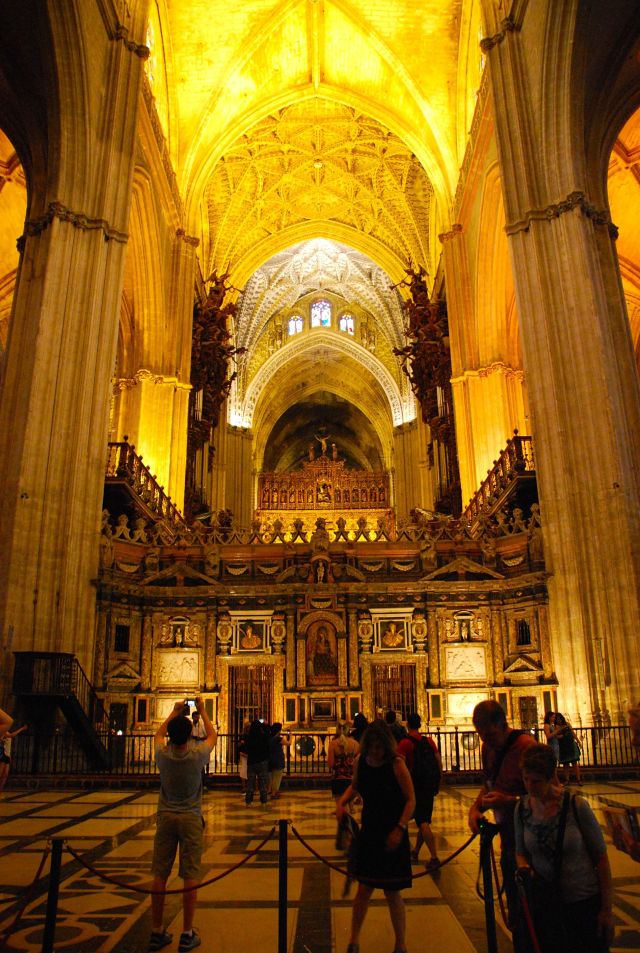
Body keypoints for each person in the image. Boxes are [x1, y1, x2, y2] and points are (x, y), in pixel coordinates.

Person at [515, 743, 614, 953]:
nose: (530, 786)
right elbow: (520, 852)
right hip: (547, 904)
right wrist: (524, 869)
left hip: (583, 902)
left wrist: (607, 911)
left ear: (551, 777)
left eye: (536, 781)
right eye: (526, 780)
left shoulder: (576, 806)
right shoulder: (522, 808)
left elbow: (601, 859)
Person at [336, 720, 415, 953]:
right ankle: (353, 940)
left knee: (392, 892)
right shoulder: (362, 761)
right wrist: (342, 802)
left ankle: (400, 944)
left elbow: (411, 799)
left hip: (393, 832)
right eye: (371, 747)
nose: (375, 752)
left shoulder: (397, 764)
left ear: (386, 746)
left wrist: (400, 828)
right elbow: (356, 785)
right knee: (363, 890)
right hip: (370, 831)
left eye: (379, 748)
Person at [468, 700, 537, 953]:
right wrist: (476, 808)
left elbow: (553, 795)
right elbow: (489, 785)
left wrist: (510, 801)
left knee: (537, 915)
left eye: (489, 734)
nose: (485, 739)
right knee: (517, 915)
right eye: (481, 734)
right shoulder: (488, 749)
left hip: (535, 847)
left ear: (502, 723)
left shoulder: (527, 747)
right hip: (510, 845)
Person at [150, 697, 217, 953]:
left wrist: (175, 712)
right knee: (190, 875)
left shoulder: (162, 756)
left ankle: (157, 930)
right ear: (190, 735)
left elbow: (157, 734)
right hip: (190, 819)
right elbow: (213, 735)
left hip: (165, 817)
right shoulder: (197, 757)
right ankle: (187, 933)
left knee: (160, 875)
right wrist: (202, 709)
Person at [397, 713, 441, 869]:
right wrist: (438, 781)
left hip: (414, 787)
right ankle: (415, 851)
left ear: (408, 724)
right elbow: (438, 761)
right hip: (428, 785)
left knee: (421, 821)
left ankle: (434, 857)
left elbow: (399, 767)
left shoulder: (404, 743)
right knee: (424, 820)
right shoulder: (429, 741)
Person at [328, 722, 360, 848]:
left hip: (338, 780)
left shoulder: (333, 744)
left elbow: (330, 764)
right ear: (348, 730)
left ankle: (348, 839)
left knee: (342, 811)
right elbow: (358, 761)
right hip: (351, 780)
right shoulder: (355, 744)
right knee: (346, 810)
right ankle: (343, 840)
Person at [240, 719, 270, 806]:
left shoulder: (249, 738)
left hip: (252, 762)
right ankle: (263, 802)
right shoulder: (264, 736)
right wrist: (265, 725)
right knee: (263, 783)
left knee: (250, 783)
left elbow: (246, 749)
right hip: (262, 762)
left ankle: (248, 802)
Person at [555, 711, 583, 785]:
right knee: (565, 764)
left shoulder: (567, 724)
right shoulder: (556, 727)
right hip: (563, 745)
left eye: (560, 719)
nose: (559, 721)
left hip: (570, 744)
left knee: (574, 763)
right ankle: (567, 780)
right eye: (557, 719)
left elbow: (572, 733)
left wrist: (578, 741)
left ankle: (578, 779)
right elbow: (556, 736)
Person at [268, 723, 290, 799]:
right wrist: (291, 737)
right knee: (277, 778)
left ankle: (273, 791)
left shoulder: (269, 738)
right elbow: (288, 744)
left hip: (270, 759)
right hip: (278, 759)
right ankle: (273, 794)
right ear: (278, 730)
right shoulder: (278, 738)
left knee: (272, 777)